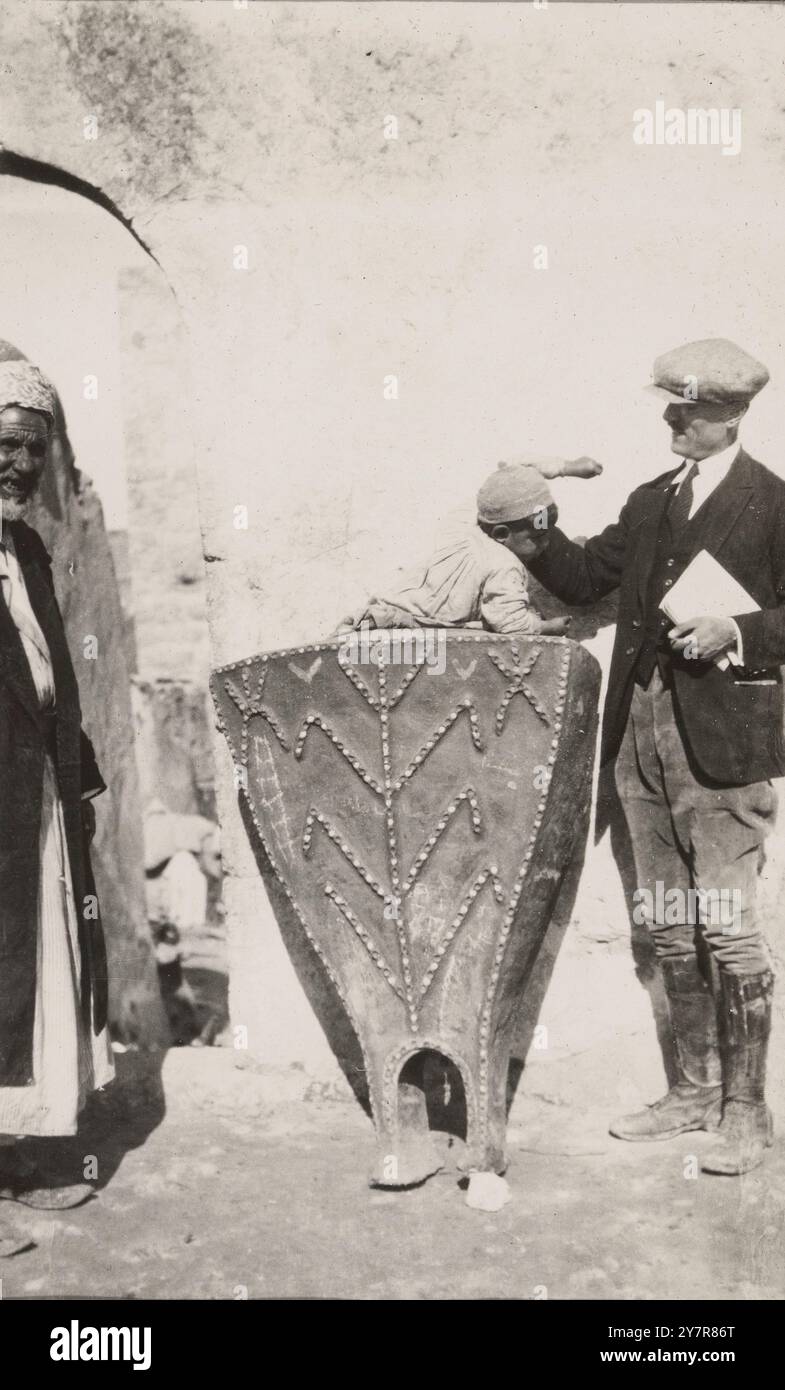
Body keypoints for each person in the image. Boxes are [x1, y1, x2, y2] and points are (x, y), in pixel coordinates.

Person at [527, 337, 782, 1175]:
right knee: (668, 924)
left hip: (720, 749)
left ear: (732, 415)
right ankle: (690, 1093)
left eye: (690, 410)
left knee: (728, 927)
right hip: (636, 737)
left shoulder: (773, 505)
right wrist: (529, 524)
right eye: (670, 405)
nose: (673, 418)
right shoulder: (648, 501)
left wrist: (737, 630)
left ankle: (746, 1114)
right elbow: (579, 576)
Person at [0, 358, 113, 1255]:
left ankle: (18, 1156)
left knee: (30, 975)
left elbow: (49, 677)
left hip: (31, 797)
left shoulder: (24, 548)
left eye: (31, 450)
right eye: (4, 445)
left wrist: (77, 776)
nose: (19, 467)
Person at [347, 455, 602, 636]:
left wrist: (565, 468)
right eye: (537, 537)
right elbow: (510, 622)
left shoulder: (462, 526)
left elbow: (506, 480)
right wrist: (546, 627)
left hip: (378, 614)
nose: (547, 544)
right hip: (411, 630)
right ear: (501, 534)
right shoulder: (504, 565)